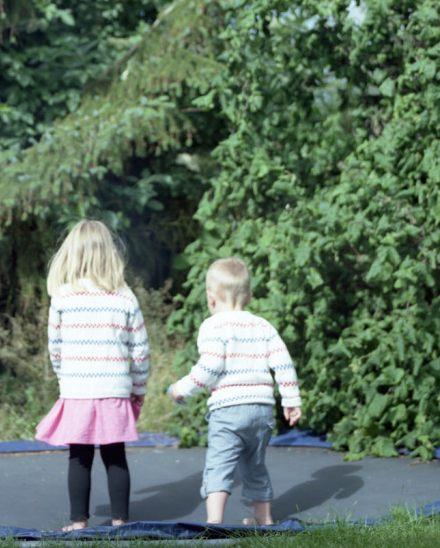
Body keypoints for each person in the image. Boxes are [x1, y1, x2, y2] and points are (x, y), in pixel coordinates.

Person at [169, 256, 301, 526]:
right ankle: (264, 520)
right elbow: (283, 364)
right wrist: (291, 400)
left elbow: (210, 367)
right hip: (262, 410)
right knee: (256, 465)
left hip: (228, 410)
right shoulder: (263, 326)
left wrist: (181, 388)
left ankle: (214, 522)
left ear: (211, 298)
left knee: (219, 465)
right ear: (249, 297)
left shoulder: (213, 326)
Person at [35, 219, 149, 530]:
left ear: (71, 254)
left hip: (77, 388)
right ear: (109, 254)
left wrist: (64, 379)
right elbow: (139, 349)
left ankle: (79, 522)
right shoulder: (124, 296)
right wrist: (138, 386)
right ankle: (121, 521)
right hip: (114, 388)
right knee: (115, 456)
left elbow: (55, 348)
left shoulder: (63, 297)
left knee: (79, 457)